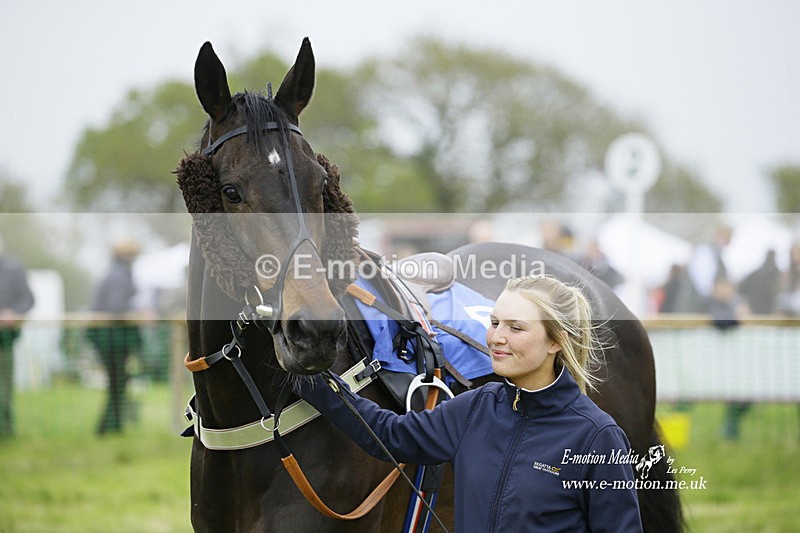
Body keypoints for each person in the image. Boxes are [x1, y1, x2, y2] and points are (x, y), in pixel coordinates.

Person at [300, 275, 643, 532]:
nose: (496, 337)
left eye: (516, 327)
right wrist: (314, 380)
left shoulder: (598, 437)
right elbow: (391, 435)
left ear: (555, 341)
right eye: (494, 323)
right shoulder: (477, 407)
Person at [87, 239, 143, 434]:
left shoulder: (115, 273)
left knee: (117, 382)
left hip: (109, 338)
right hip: (111, 339)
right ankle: (108, 427)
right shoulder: (118, 276)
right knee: (117, 383)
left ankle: (112, 426)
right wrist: (139, 313)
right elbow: (116, 307)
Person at [0, 236, 35, 438]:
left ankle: (4, 431)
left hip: (4, 339)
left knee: (3, 388)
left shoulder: (13, 269)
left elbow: (28, 299)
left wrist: (13, 312)